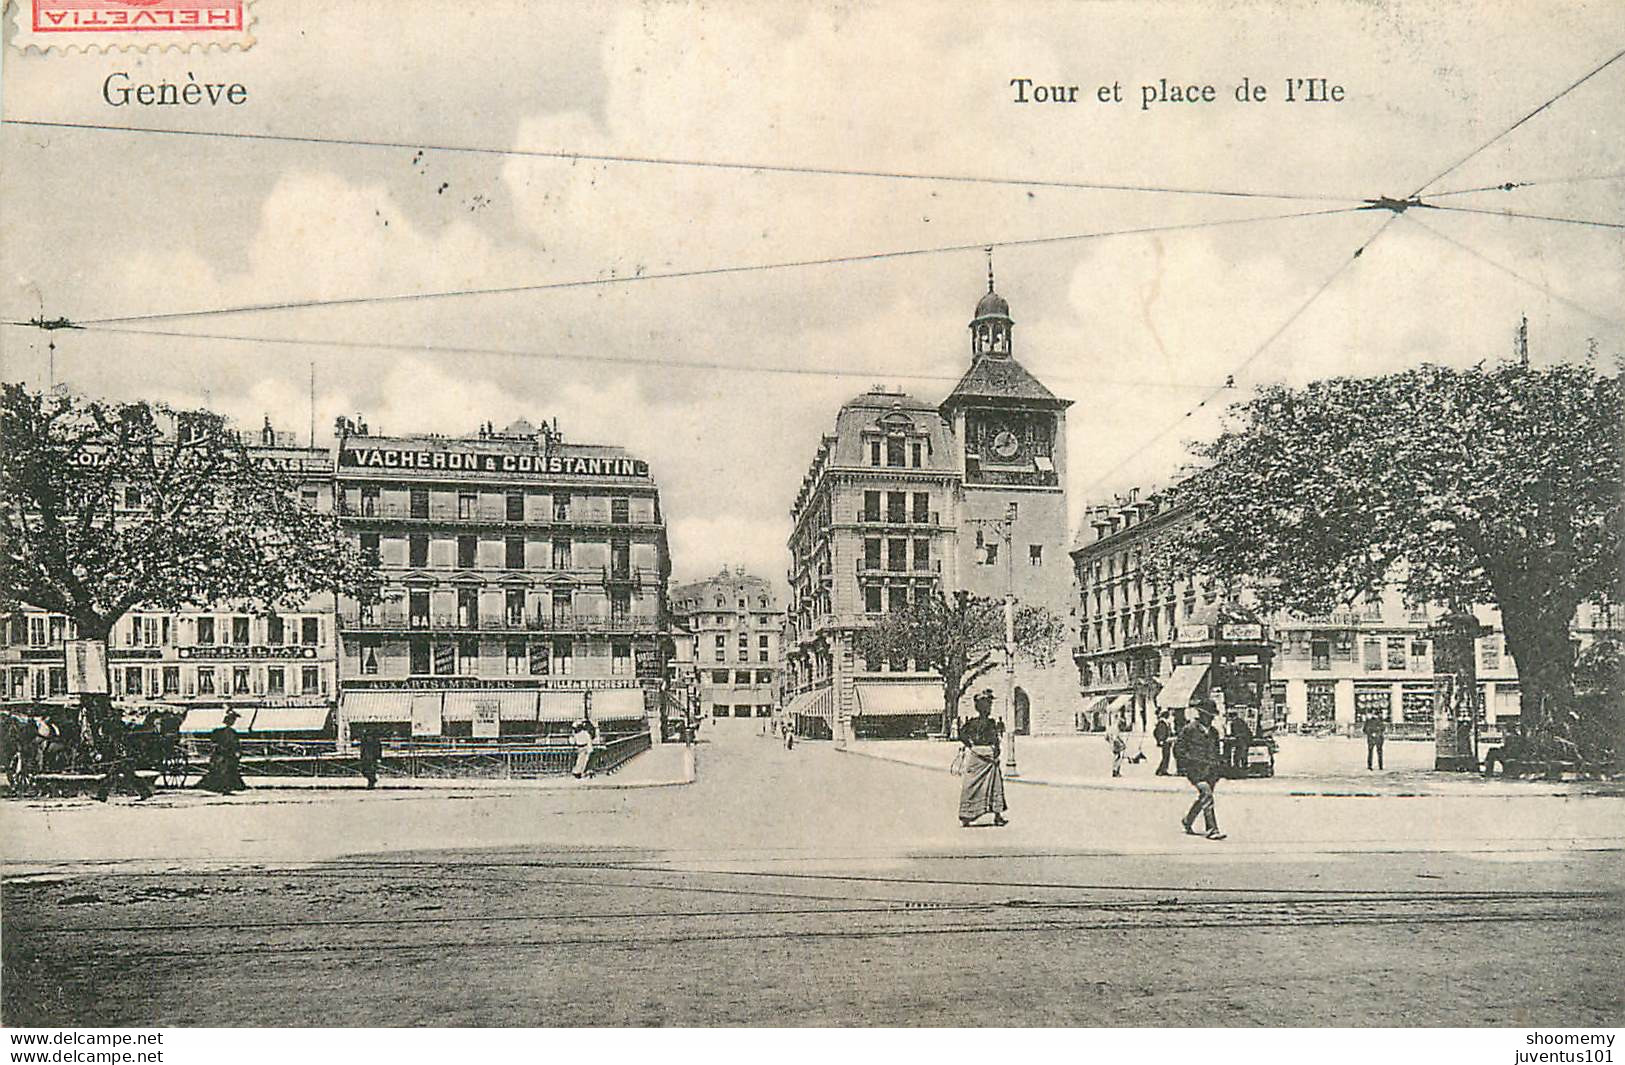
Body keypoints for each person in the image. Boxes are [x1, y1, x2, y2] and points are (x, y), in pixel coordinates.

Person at [1173, 700, 1225, 840]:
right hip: (1195, 771)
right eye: (1208, 715)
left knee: (1204, 798)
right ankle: (1212, 829)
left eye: (1212, 716)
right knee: (1207, 794)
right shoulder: (1189, 729)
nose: (1210, 718)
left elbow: (1216, 751)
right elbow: (1178, 749)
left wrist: (1218, 765)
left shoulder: (1214, 732)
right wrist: (1186, 766)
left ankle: (1188, 820)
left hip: (1211, 771)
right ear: (1201, 714)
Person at [957, 689, 1007, 827]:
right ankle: (997, 816)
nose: (990, 708)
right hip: (989, 756)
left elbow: (961, 735)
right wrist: (996, 755)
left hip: (975, 756)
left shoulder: (971, 723)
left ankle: (966, 814)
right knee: (995, 786)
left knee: (971, 784)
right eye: (989, 705)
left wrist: (971, 745)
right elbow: (995, 741)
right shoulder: (990, 723)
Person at [196, 709, 247, 794]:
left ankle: (227, 786)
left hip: (229, 755)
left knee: (230, 770)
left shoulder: (232, 732)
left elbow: (236, 744)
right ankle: (222, 787)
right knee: (222, 770)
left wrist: (237, 752)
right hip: (221, 755)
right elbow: (214, 742)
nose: (232, 722)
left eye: (233, 720)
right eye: (231, 720)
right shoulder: (219, 731)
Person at [1228, 710, 1254, 776]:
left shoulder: (1235, 722)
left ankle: (1238, 770)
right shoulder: (1240, 721)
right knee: (1243, 755)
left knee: (1239, 755)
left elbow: (1236, 733)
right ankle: (1242, 768)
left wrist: (1232, 736)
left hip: (1242, 740)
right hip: (1245, 740)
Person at [1153, 709, 1174, 776]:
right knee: (1166, 756)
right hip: (1165, 741)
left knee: (1166, 756)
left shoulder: (1164, 722)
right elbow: (1161, 732)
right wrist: (1161, 740)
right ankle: (1161, 770)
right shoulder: (1162, 723)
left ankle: (1162, 769)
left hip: (1166, 741)